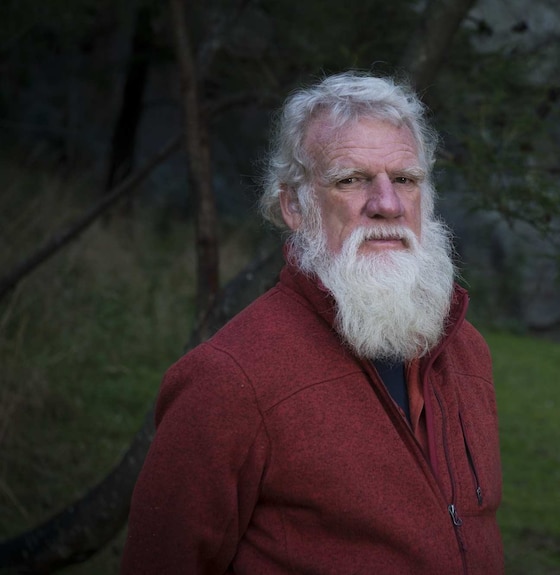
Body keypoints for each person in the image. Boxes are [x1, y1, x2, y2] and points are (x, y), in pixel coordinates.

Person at [121, 71, 504, 574]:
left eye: (405, 180)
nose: (387, 204)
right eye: (351, 180)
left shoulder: (466, 351)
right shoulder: (230, 381)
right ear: (294, 206)